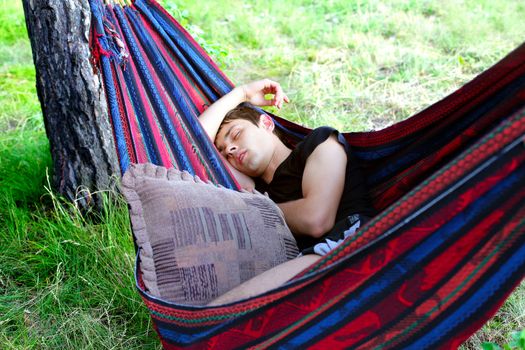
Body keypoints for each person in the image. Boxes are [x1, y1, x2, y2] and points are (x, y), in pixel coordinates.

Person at [199, 79, 375, 305]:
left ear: (266, 123)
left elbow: (316, 219)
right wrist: (241, 93)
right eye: (223, 152)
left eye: (236, 134)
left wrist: (254, 209)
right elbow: (194, 147)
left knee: (219, 312)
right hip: (310, 265)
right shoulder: (253, 190)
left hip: (356, 245)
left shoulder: (321, 142)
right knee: (215, 314)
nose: (230, 149)